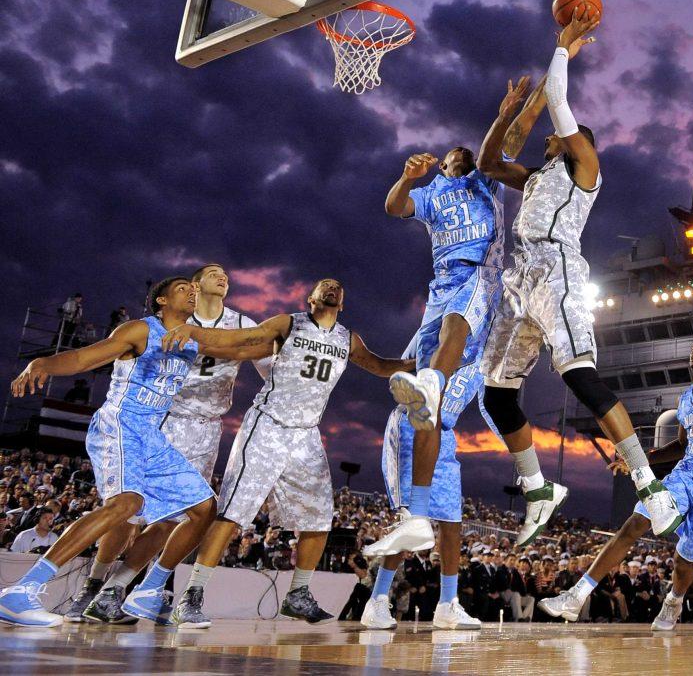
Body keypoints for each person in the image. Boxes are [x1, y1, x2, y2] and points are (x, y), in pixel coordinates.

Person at [475, 11, 682, 543]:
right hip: (520, 277)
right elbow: (490, 162)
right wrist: (508, 113)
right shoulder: (539, 175)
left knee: (579, 377)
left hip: (559, 269)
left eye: (555, 136)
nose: (547, 136)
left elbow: (562, 105)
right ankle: (538, 490)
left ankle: (649, 488)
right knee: (495, 393)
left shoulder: (583, 166)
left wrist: (563, 50)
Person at [160, 278, 414, 628]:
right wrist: (194, 332)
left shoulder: (347, 338)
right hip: (268, 424)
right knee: (232, 512)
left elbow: (382, 366)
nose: (332, 288)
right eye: (324, 285)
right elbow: (241, 340)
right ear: (310, 298)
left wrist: (426, 363)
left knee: (319, 519)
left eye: (338, 287)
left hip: (306, 434)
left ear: (343, 303)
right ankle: (192, 595)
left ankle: (297, 595)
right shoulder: (288, 323)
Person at [370, 82, 543, 553]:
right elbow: (393, 206)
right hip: (440, 286)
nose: (462, 153)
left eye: (467, 152)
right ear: (441, 166)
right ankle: (414, 513)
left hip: (481, 277)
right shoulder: (429, 195)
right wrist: (407, 178)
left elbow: (517, 132)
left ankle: (433, 383)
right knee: (424, 410)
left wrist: (535, 92)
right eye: (453, 154)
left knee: (447, 352)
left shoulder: (483, 179)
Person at [1, 278, 219, 627]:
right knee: (126, 505)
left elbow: (243, 345)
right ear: (161, 300)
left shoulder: (192, 338)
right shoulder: (138, 329)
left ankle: (148, 591)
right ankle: (23, 590)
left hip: (152, 433)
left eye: (195, 290)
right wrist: (44, 363)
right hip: (121, 423)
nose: (192, 293)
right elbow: (87, 357)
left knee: (204, 508)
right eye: (183, 289)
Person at [64, 263, 271, 624]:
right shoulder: (166, 320)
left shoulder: (242, 324)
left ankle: (117, 590)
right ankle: (92, 585)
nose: (222, 277)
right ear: (193, 285)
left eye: (225, 274)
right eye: (212, 273)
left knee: (178, 516)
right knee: (128, 512)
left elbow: (269, 366)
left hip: (206, 427)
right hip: (163, 418)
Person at [538, 338, 693, 630]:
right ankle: (576, 596)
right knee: (635, 523)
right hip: (686, 472)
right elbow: (681, 446)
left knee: (684, 559)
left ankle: (674, 601)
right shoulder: (684, 400)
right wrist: (640, 460)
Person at [360, 338, 498, 630]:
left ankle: (448, 605)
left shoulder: (492, 348)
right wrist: (432, 365)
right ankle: (378, 599)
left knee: (452, 523)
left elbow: (489, 404)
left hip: (445, 432)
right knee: (413, 519)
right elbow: (401, 368)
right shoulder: (441, 324)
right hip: (414, 423)